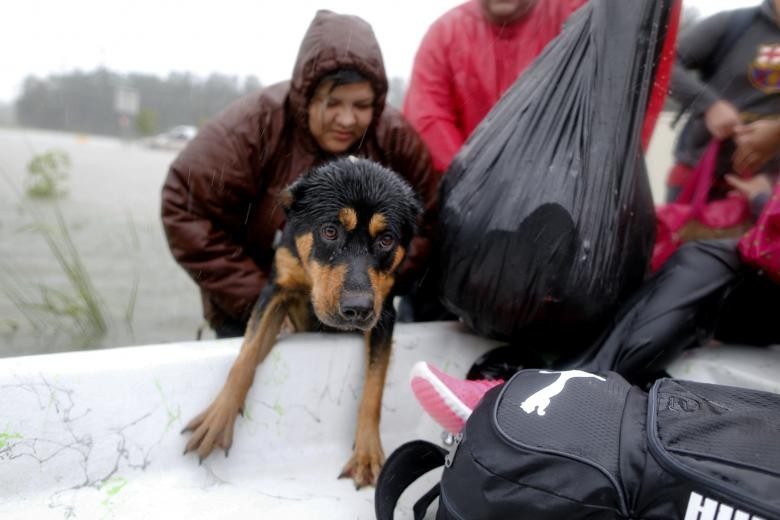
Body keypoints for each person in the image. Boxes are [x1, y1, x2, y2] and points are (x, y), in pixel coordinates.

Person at [161, 10, 437, 338]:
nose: (347, 119)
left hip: (357, 305)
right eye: (333, 103)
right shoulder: (252, 128)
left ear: (377, 104)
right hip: (257, 304)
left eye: (361, 105)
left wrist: (379, 280)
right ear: (307, 97)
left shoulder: (395, 139)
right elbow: (185, 207)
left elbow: (428, 221)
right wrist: (254, 296)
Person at [402, 0, 586, 174]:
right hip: (468, 196)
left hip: (563, 186)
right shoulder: (444, 36)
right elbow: (427, 117)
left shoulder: (576, 15)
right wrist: (472, 177)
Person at [666, 0, 780, 203]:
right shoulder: (734, 23)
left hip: (768, 190)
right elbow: (663, 64)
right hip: (697, 179)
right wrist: (709, 104)